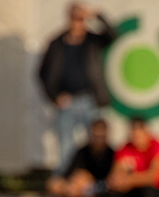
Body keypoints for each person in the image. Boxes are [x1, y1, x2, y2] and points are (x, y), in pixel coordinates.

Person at [38, 4, 115, 174]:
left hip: (90, 100)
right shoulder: (57, 43)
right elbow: (42, 73)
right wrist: (54, 96)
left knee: (98, 145)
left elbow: (113, 35)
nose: (78, 23)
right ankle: (65, 191)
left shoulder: (92, 41)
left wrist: (97, 15)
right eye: (75, 19)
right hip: (68, 102)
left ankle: (98, 188)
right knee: (66, 148)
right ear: (69, 19)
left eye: (82, 19)